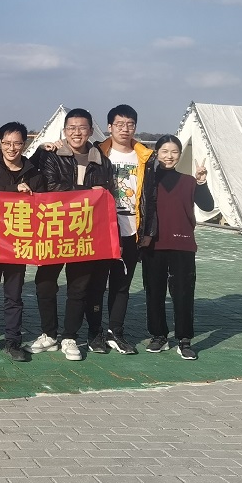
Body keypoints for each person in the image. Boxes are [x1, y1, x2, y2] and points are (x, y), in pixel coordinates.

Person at [30, 108, 116, 361]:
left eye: (82, 128)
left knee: (79, 286)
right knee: (45, 283)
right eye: (71, 128)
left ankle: (70, 336)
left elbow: (108, 192)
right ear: (64, 130)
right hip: (54, 229)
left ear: (90, 130)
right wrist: (89, 191)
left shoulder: (102, 161)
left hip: (84, 231)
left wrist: (94, 192)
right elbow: (51, 187)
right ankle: (48, 333)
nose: (76, 132)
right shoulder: (52, 156)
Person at [0, 122, 46, 362]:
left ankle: (13, 341)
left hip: (18, 245)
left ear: (24, 144)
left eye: (17, 143)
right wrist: (14, 189)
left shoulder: (35, 174)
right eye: (6, 143)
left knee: (14, 296)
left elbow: (43, 209)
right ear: (0, 143)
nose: (11, 148)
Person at [138, 136, 214, 360]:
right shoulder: (147, 180)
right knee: (154, 292)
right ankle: (159, 335)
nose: (169, 156)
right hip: (153, 243)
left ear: (180, 155)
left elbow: (207, 205)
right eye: (164, 151)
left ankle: (184, 339)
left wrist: (201, 182)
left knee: (183, 293)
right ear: (157, 153)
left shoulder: (189, 181)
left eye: (174, 152)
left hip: (183, 244)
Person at [94, 104, 153, 355]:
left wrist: (148, 231)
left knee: (121, 285)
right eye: (119, 124)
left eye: (130, 124)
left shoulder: (146, 158)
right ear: (109, 127)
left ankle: (115, 332)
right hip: (100, 229)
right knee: (96, 284)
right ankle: (94, 333)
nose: (124, 129)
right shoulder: (97, 153)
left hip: (132, 229)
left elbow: (152, 197)